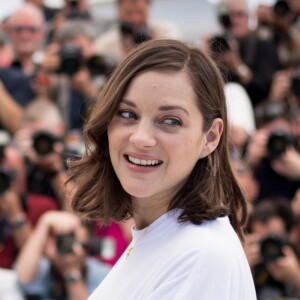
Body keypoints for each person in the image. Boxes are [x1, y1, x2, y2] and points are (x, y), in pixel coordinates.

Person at [68, 39, 256, 299]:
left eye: (170, 120)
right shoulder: (161, 237)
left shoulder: (200, 256)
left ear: (211, 137)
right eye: (127, 114)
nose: (141, 138)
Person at [93, 0, 181, 64]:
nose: (135, 19)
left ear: (149, 9)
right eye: (129, 13)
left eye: (140, 12)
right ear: (118, 11)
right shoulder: (104, 45)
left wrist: (156, 45)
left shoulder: (167, 32)